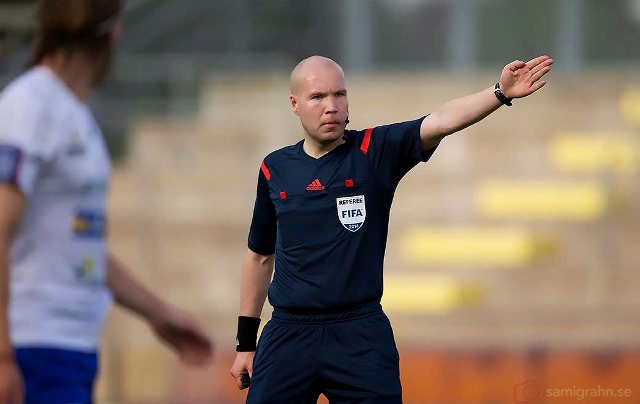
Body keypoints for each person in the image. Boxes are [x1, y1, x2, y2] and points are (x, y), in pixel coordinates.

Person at [230, 54, 553, 403]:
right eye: (318, 97)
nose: (331, 106)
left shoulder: (375, 151)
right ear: (295, 104)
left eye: (339, 94)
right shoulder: (275, 168)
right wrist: (246, 343)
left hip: (359, 334)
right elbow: (260, 256)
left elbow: (441, 121)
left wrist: (499, 93)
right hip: (289, 333)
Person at [0, 1, 214, 403]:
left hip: (72, 347)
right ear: (113, 32)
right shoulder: (29, 105)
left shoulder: (74, 114)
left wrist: (156, 311)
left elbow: (78, 247)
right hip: (32, 345)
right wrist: (2, 354)